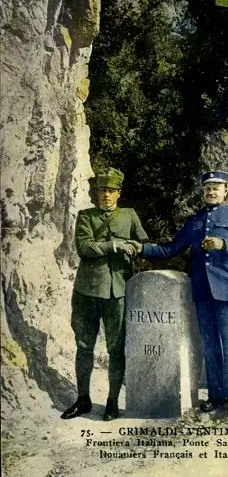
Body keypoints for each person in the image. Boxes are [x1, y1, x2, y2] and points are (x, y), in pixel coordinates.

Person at [129, 170, 228, 413]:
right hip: (202, 290)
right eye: (207, 188)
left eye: (216, 187)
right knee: (209, 344)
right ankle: (216, 394)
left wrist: (224, 245)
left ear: (226, 191)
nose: (211, 192)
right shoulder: (195, 221)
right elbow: (170, 250)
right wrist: (142, 249)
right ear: (203, 191)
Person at [61, 167, 148, 421]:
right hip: (87, 291)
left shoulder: (129, 215)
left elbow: (144, 242)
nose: (106, 196)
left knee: (116, 348)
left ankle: (111, 401)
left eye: (110, 191)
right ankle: (83, 399)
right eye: (102, 191)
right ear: (96, 193)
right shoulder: (86, 216)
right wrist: (113, 245)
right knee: (84, 346)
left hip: (117, 291)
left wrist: (134, 245)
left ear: (119, 193)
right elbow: (84, 248)